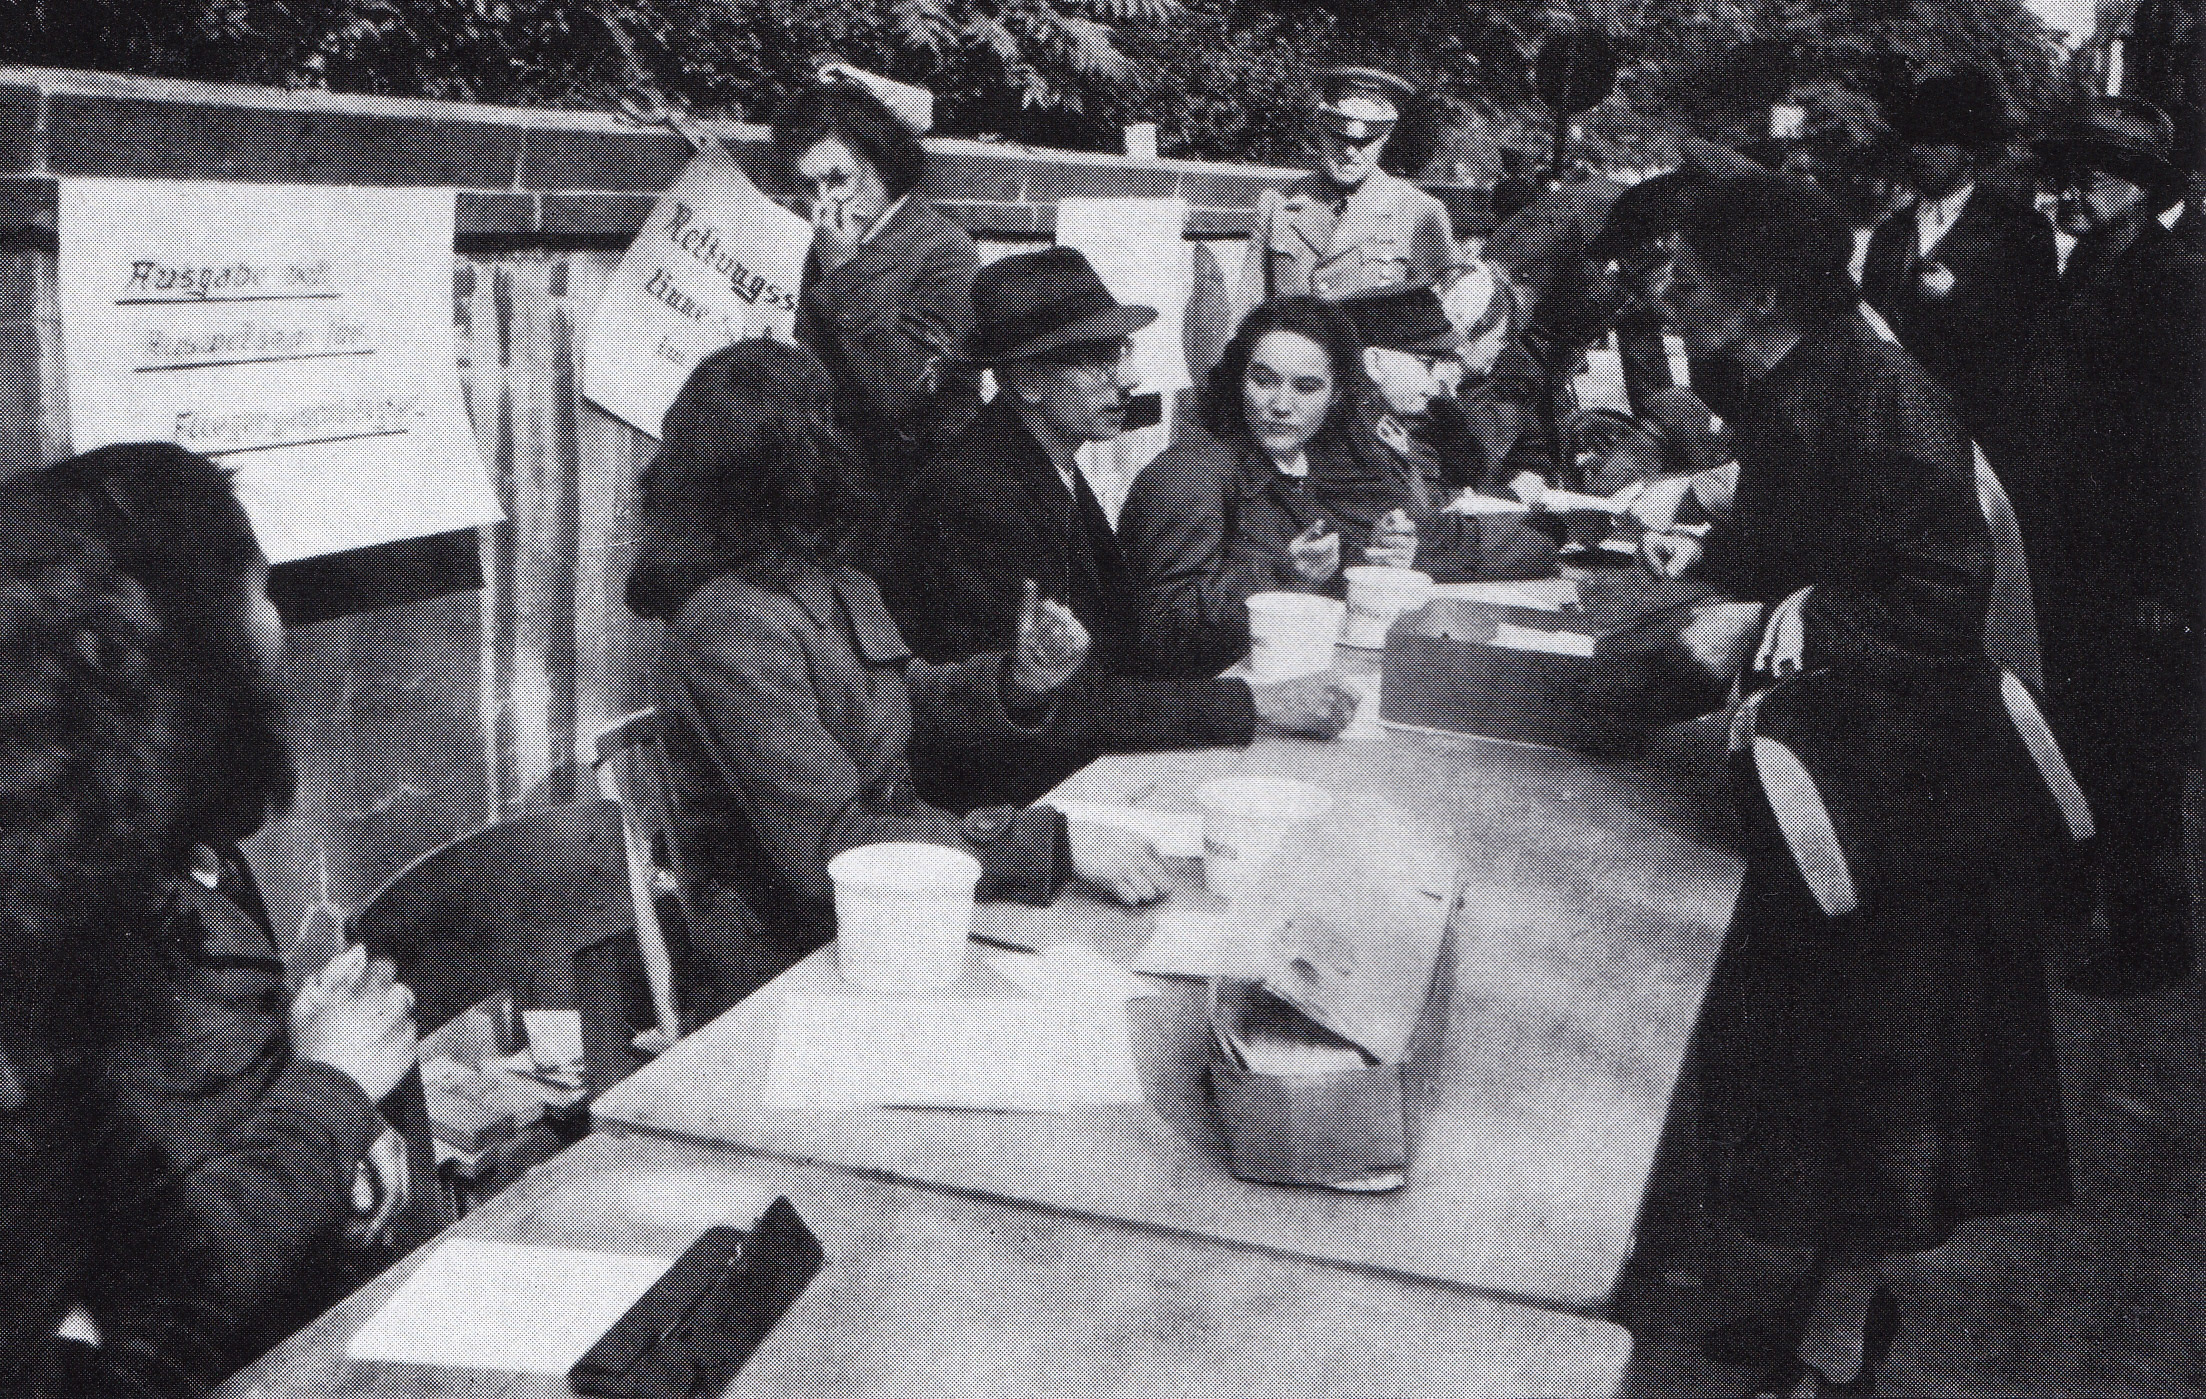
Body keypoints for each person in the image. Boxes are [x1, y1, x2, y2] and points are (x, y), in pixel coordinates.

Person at [1641, 172, 2076, 1398]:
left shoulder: (1878, 395)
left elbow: (1939, 598)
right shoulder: (1804, 378)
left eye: (1688, 280)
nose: (1669, 297)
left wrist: (1771, 616)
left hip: (1909, 800)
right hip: (1843, 776)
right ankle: (1822, 1302)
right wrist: (1715, 557)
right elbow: (1811, 535)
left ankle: (1837, 1338)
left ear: (1759, 296)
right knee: (1834, 1063)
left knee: (1883, 1076)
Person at [0, 449, 418, 1396]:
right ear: (189, 652)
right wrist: (330, 1092)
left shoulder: (183, 862)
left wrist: (326, 1112)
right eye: (261, 591)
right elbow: (162, 1295)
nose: (281, 627)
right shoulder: (67, 942)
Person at [626, 339, 1194, 1012]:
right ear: (779, 460)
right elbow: (832, 845)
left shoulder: (825, 581)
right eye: (824, 423)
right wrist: (1055, 845)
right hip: (789, 968)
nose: (844, 446)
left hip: (887, 903)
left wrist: (1018, 680)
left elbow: (903, 694)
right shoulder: (730, 628)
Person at [878, 248, 1358, 810]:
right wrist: (1252, 703)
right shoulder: (977, 489)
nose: (1130, 379)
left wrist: (1259, 635)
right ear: (1024, 379)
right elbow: (1025, 716)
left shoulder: (1044, 460)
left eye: (1122, 354)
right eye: (1102, 361)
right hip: (1001, 820)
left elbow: (1116, 642)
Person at [2011, 99, 2206, 998]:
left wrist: (2172, 580)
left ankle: (2154, 943)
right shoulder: (2097, 260)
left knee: (2139, 759)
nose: (2067, 189)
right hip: (2079, 551)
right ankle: (2070, 898)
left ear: (2141, 186)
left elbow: (2187, 447)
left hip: (2142, 572)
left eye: (2088, 172)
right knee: (2081, 728)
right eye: (2063, 171)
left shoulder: (2177, 279)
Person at [1117, 298, 1366, 679]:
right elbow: (1160, 632)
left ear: (1334, 397)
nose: (1281, 405)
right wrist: (1283, 577)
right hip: (1198, 712)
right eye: (1263, 380)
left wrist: (1371, 558)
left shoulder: (1295, 464)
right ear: (1238, 381)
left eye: (1306, 387)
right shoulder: (1191, 474)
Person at [771, 71, 979, 516]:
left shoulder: (943, 249)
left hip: (918, 504)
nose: (821, 203)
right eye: (808, 187)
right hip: (829, 498)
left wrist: (845, 272)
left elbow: (903, 393)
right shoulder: (811, 246)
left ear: (881, 165)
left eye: (836, 180)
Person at [1860, 68, 2056, 471]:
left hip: (1974, 433)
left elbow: (2030, 338)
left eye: (1933, 141)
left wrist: (1956, 298)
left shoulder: (2018, 231)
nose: (1917, 152)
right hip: (1885, 429)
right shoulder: (1890, 233)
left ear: (1970, 150)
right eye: (1913, 140)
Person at [1326, 282, 1565, 583]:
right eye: (1427, 363)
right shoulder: (1346, 428)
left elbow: (1428, 499)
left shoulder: (1380, 417)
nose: (1432, 386)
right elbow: (1421, 535)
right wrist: (1543, 533)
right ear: (1373, 361)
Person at [1233, 66, 1456, 320]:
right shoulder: (1278, 205)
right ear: (1320, 130)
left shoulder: (1419, 211)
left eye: (1365, 142)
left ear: (1385, 138)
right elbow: (1248, 316)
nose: (1350, 152)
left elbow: (1440, 322)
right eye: (1338, 137)